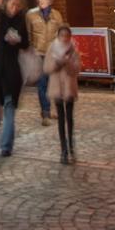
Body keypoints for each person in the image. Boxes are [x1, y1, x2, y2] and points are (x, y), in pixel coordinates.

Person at [0, 0, 29, 157]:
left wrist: (18, 41)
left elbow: (27, 43)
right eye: (13, 4)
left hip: (12, 69)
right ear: (6, 3)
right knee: (3, 105)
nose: (15, 8)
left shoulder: (21, 20)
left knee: (8, 106)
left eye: (18, 5)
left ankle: (6, 145)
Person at [44, 24, 81, 164]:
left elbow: (77, 69)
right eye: (62, 36)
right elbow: (46, 68)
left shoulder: (73, 49)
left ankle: (71, 145)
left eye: (67, 36)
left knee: (70, 118)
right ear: (58, 36)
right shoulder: (52, 48)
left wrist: (68, 63)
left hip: (69, 87)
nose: (64, 39)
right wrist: (57, 64)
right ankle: (63, 149)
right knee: (61, 119)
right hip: (57, 87)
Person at [26, 0, 63, 126]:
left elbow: (62, 33)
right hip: (38, 54)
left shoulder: (57, 15)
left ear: (50, 0)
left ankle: (52, 109)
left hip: (52, 54)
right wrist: (30, 51)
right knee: (42, 84)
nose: (43, 0)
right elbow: (28, 34)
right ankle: (45, 113)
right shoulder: (31, 15)